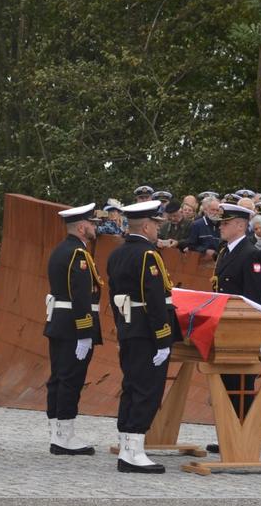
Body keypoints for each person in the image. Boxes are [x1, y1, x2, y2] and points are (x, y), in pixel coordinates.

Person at [107, 200, 179, 473]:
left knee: (131, 386)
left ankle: (127, 444)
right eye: (157, 225)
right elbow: (157, 301)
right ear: (147, 226)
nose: (158, 230)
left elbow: (114, 297)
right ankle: (133, 451)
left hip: (129, 327)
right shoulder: (148, 256)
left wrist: (123, 324)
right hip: (147, 332)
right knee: (147, 389)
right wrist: (163, 338)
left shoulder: (117, 254)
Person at [206, 204, 261, 453]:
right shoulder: (225, 252)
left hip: (241, 329)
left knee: (240, 383)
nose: (220, 227)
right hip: (223, 327)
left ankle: (244, 437)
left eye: (225, 223)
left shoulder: (251, 254)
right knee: (226, 382)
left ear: (241, 225)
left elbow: (252, 298)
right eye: (221, 223)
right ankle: (228, 433)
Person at [43, 203, 103, 456]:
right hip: (73, 326)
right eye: (91, 223)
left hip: (59, 322)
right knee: (71, 379)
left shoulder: (61, 250)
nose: (94, 228)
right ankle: (65, 436)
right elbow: (81, 298)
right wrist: (84, 333)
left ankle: (57, 430)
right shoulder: (78, 254)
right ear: (81, 227)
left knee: (58, 377)